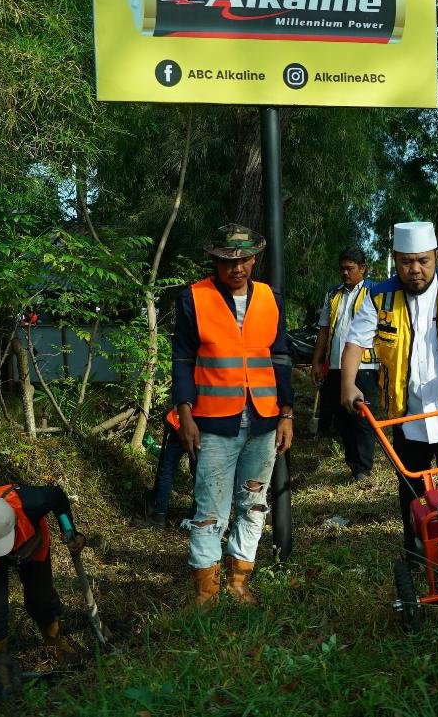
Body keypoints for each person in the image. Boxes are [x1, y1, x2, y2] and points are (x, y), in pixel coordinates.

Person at [341, 222, 438, 566]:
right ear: (396, 259)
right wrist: (348, 384)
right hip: (407, 414)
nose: (415, 270)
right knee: (411, 491)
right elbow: (354, 342)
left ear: (436, 257)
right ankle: (416, 551)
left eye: (424, 261)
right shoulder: (380, 296)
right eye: (407, 262)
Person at [172, 224, 294, 607]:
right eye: (228, 261)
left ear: (254, 259)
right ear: (215, 261)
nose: (237, 267)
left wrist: (287, 412)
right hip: (214, 422)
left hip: (263, 418)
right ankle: (205, 592)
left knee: (254, 504)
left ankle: (240, 582)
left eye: (243, 259)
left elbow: (281, 357)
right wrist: (185, 413)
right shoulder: (194, 298)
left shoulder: (270, 298)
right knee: (210, 508)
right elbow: (182, 359)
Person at [0, 483, 86, 680]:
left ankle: (56, 643)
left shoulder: (33, 503)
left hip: (32, 544)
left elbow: (58, 495)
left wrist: (70, 529)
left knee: (41, 599)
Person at [312, 247, 379, 483]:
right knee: (341, 417)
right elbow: (324, 329)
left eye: (350, 268)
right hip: (336, 365)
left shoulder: (375, 292)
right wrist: (317, 361)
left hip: (366, 366)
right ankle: (352, 463)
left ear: (362, 269)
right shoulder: (333, 294)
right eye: (342, 268)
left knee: (362, 418)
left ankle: (363, 468)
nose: (345, 273)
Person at [147, 408, 195, 525]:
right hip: (201, 429)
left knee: (167, 469)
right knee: (198, 473)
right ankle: (196, 515)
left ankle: (159, 513)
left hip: (181, 427)